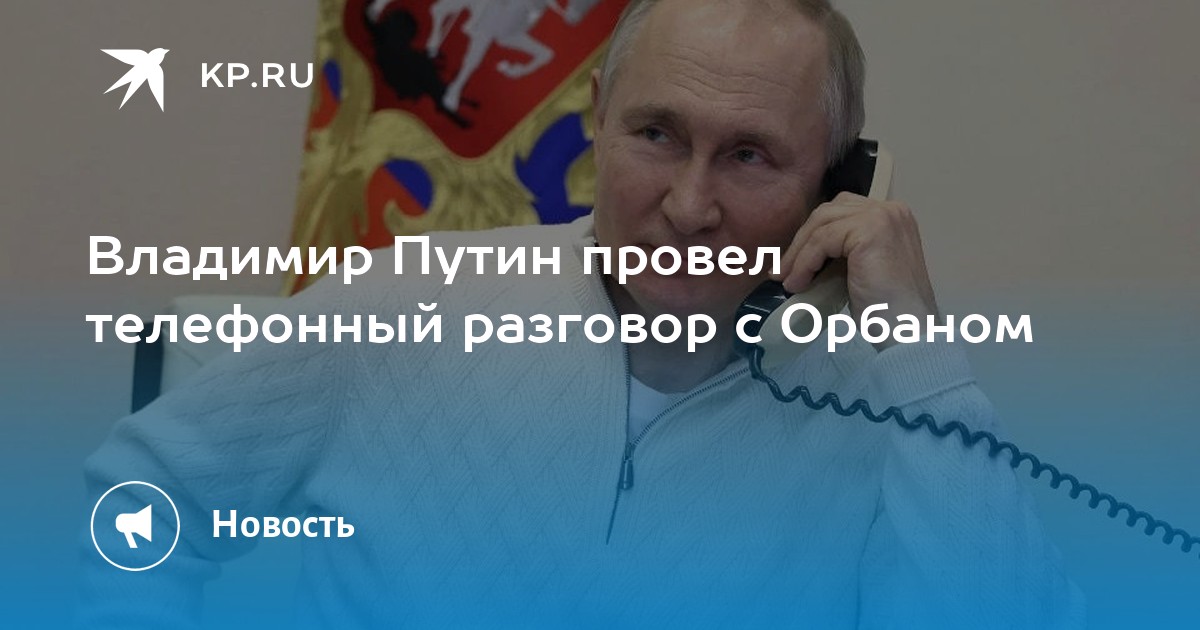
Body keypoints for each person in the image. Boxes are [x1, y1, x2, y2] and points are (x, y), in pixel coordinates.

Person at [80, 0, 1085, 627]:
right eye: (657, 134)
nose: (689, 206)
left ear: (838, 179)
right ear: (596, 115)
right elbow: (136, 503)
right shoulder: (412, 299)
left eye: (750, 156)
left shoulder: (883, 403)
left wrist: (919, 357)